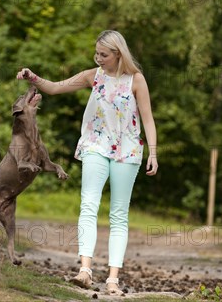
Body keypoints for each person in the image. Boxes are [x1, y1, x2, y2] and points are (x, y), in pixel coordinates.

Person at [16, 30, 158, 296]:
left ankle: (113, 279)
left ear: (118, 54)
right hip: (96, 145)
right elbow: (56, 87)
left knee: (118, 214)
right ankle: (85, 271)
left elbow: (148, 119)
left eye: (104, 55)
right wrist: (31, 76)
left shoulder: (136, 80)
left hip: (127, 150)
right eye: (97, 54)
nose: (99, 59)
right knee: (89, 204)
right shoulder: (93, 76)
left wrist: (154, 153)